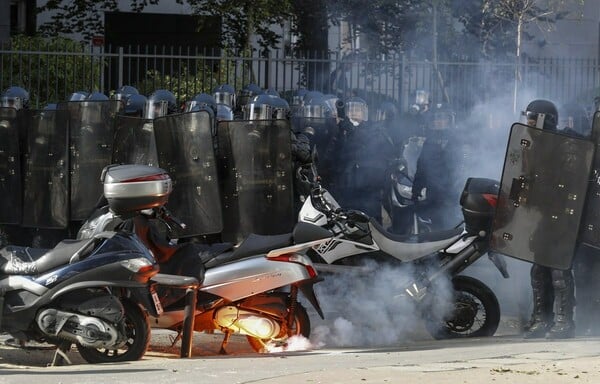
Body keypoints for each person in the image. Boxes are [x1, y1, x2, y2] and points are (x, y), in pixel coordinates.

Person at [521, 99, 576, 339]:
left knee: (559, 269)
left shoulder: (567, 145)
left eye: (533, 119)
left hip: (565, 215)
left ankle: (565, 322)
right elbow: (526, 177)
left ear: (545, 120)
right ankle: (541, 319)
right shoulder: (531, 146)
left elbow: (572, 181)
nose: (529, 124)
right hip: (544, 215)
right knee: (538, 270)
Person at [328, 96, 394, 222]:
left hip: (368, 186)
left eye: (357, 109)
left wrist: (350, 129)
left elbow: (368, 144)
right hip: (346, 185)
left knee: (370, 221)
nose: (353, 112)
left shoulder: (374, 129)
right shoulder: (342, 128)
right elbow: (333, 154)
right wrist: (338, 132)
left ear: (364, 113)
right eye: (350, 109)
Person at [411, 104, 461, 231]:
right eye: (436, 118)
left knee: (451, 227)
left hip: (451, 194)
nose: (438, 121)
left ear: (449, 120)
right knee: (436, 229)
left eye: (442, 118)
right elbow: (422, 166)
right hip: (433, 193)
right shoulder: (430, 141)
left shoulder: (457, 140)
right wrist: (416, 189)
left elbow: (462, 166)